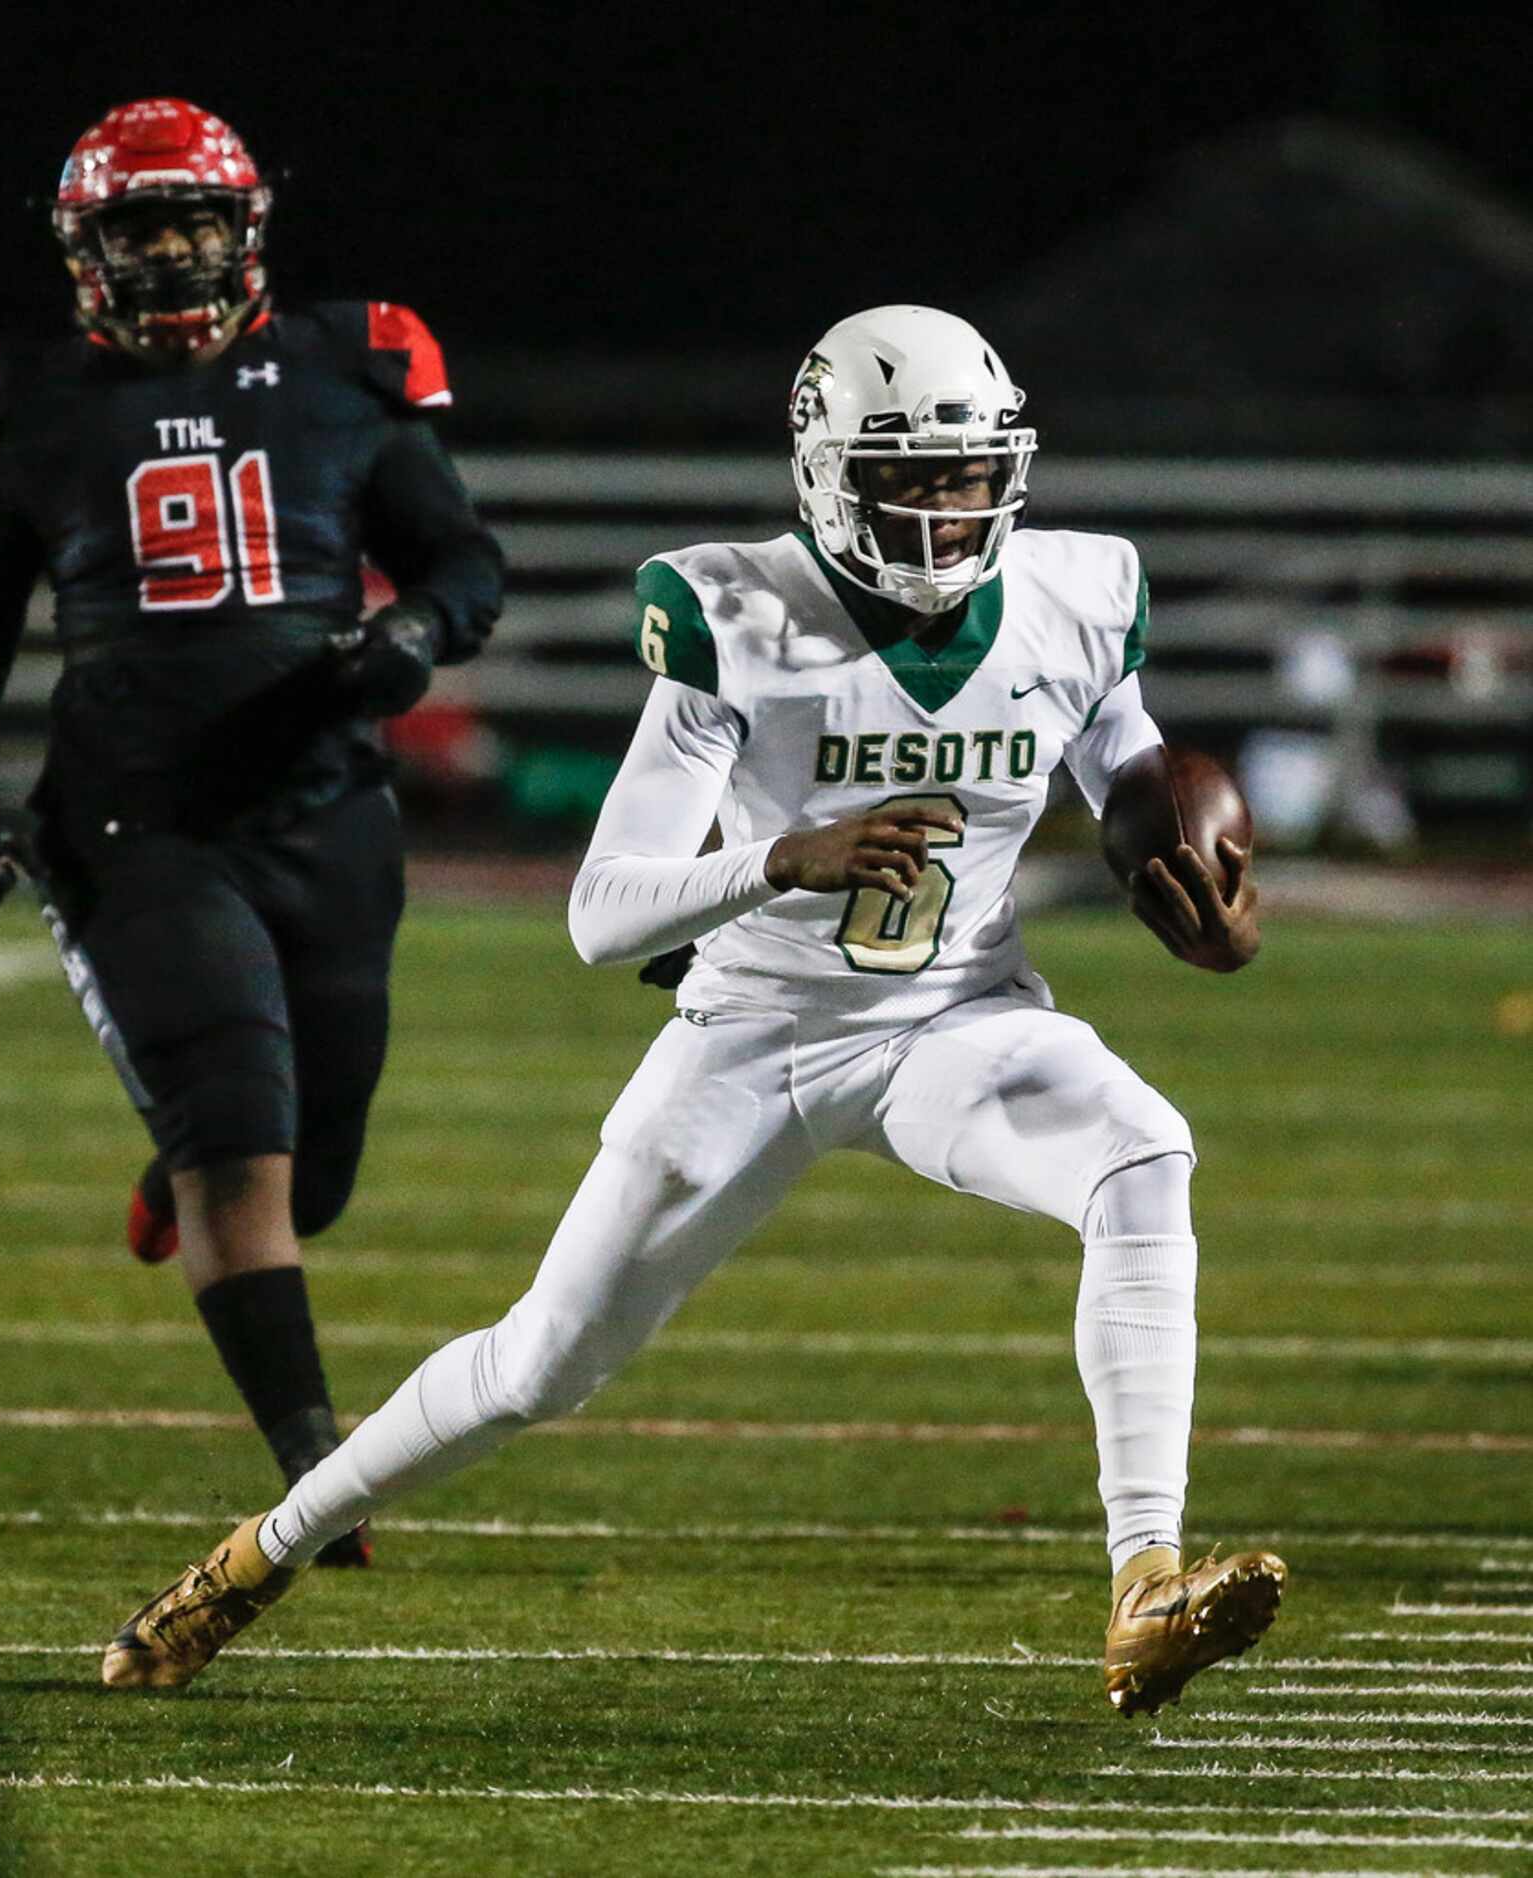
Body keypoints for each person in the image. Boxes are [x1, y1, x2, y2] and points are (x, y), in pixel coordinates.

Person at [98, 304, 1284, 1716]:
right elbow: (602, 912)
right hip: (757, 1032)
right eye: (909, 475)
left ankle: (1142, 1577)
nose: (946, 508)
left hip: (956, 1013)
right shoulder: (736, 612)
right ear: (828, 471)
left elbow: (1136, 778)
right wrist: (785, 854)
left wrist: (1215, 910)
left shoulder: (1075, 595)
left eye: (970, 474)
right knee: (540, 1362)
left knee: (1141, 1151)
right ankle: (250, 1557)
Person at [0, 97, 503, 1565]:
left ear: (246, 230)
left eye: (190, 221)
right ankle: (315, 1464)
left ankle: (190, 1163)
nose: (167, 252)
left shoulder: (348, 363)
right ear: (82, 247)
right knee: (240, 1141)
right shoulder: (18, 399)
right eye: (135, 226)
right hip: (132, 822)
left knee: (321, 1169)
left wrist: (414, 632)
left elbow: (463, 559)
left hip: (326, 809)